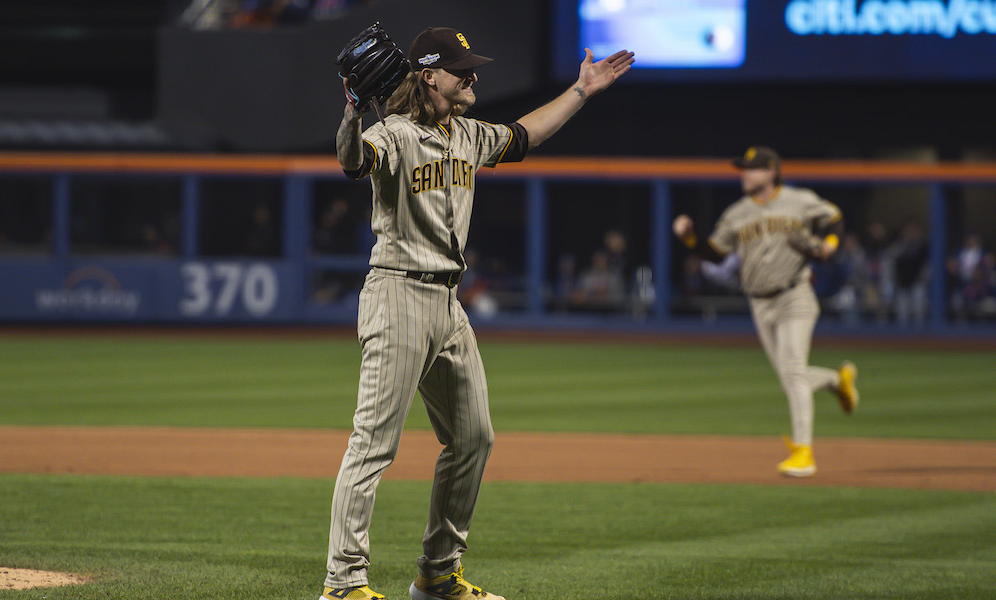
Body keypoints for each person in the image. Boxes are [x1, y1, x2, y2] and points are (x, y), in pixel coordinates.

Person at [323, 27, 634, 600]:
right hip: (397, 294)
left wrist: (582, 90)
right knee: (373, 445)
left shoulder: (467, 134)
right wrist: (350, 110)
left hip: (447, 302)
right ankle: (343, 585)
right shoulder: (393, 133)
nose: (472, 77)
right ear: (428, 75)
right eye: (460, 69)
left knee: (474, 438)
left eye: (472, 68)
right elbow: (352, 161)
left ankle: (438, 575)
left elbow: (525, 135)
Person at [672, 146, 860, 478]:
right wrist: (690, 239)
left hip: (795, 294)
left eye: (752, 169)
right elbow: (716, 254)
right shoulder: (737, 213)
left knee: (792, 372)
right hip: (759, 302)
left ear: (771, 172)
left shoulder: (799, 200)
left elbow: (834, 217)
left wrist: (830, 243)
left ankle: (804, 453)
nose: (744, 173)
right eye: (743, 169)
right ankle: (837, 381)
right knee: (791, 376)